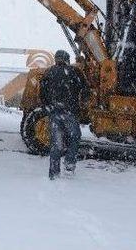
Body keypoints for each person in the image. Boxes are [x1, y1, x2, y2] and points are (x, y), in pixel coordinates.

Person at [39, 50, 89, 180]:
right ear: (67, 59)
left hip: (55, 113)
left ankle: (54, 172)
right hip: (70, 112)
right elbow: (85, 88)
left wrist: (48, 107)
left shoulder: (49, 72)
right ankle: (69, 164)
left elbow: (42, 92)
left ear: (56, 59)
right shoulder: (74, 72)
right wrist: (83, 101)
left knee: (56, 143)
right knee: (74, 137)